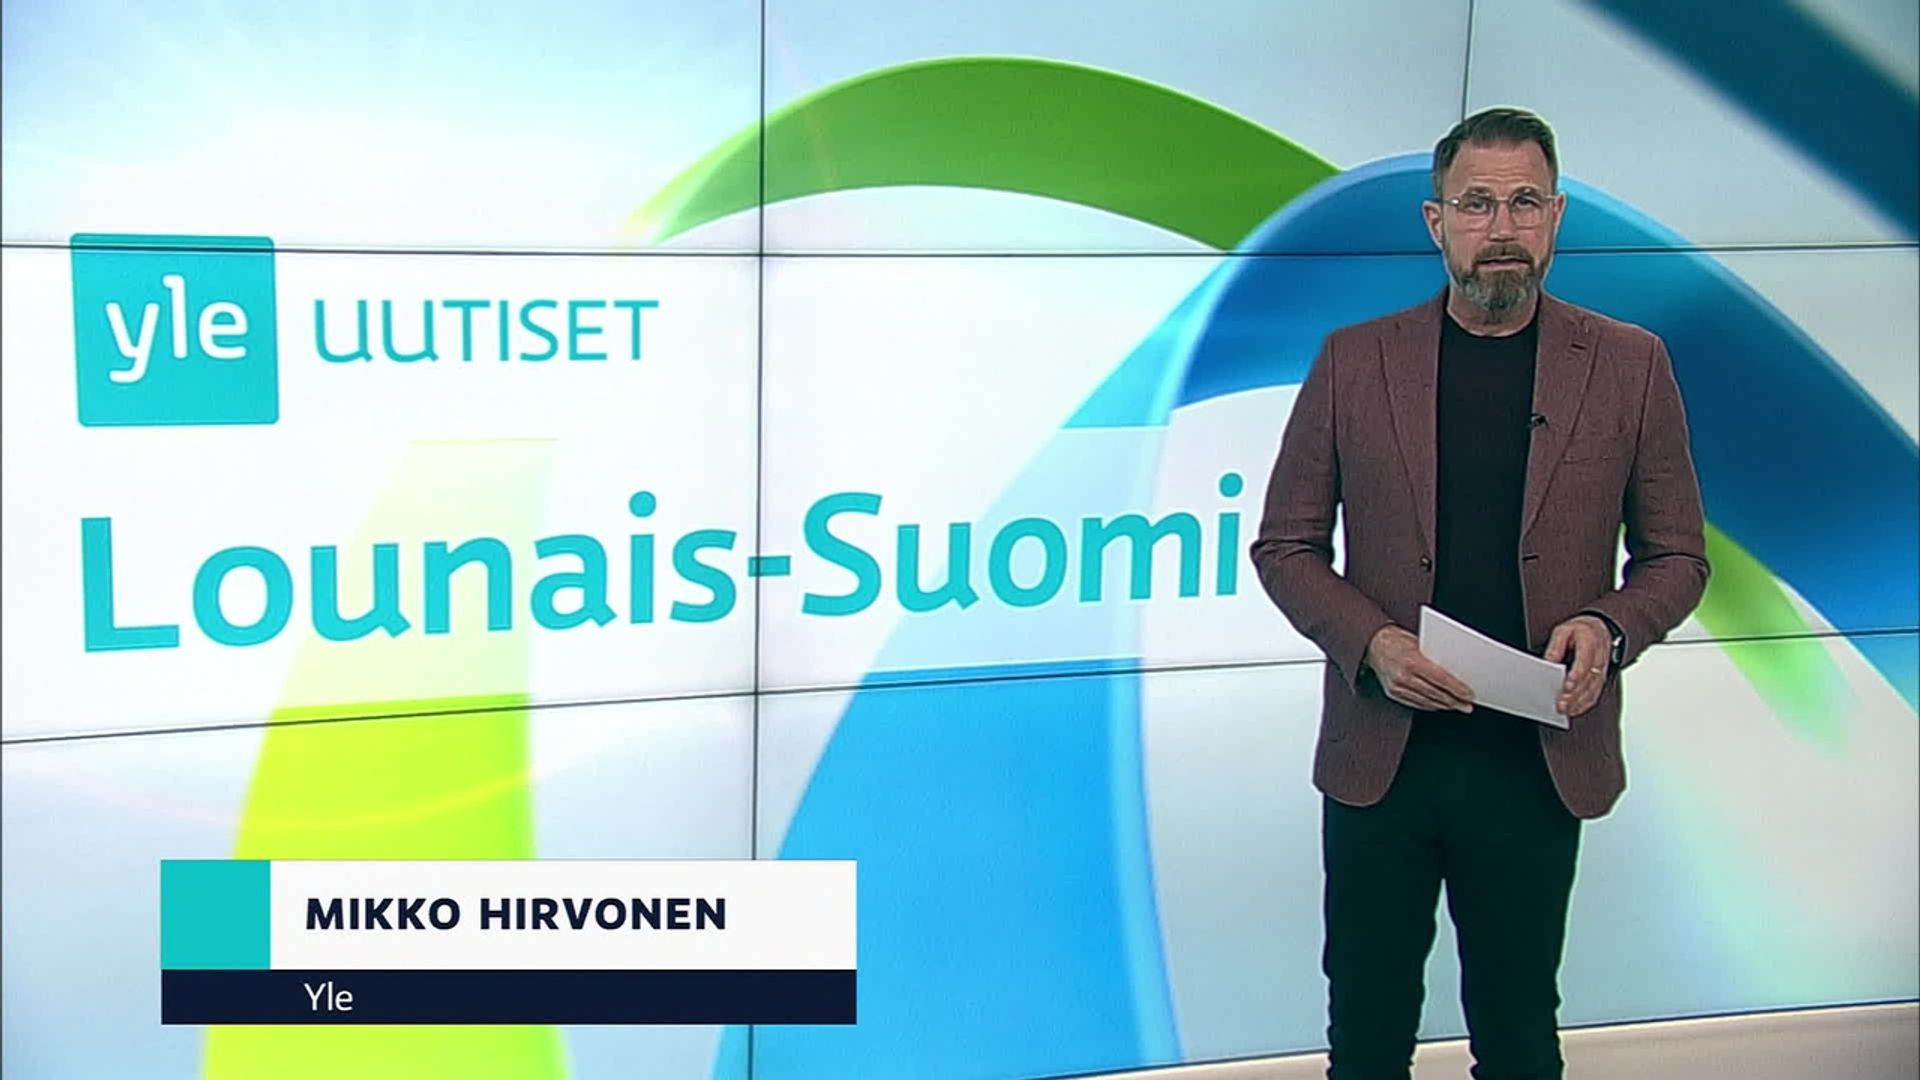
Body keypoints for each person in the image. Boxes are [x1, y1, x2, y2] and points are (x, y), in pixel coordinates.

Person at [1248, 107, 1710, 1079]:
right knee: (1366, 1038)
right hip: (1384, 760)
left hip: (1533, 762)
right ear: (1437, 222)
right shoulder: (1353, 362)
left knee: (1518, 1036)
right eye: (1477, 204)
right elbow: (1286, 545)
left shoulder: (1630, 366)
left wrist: (1608, 625)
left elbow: (1676, 557)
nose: (1502, 227)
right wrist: (1372, 644)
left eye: (1525, 202)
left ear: (1557, 216)